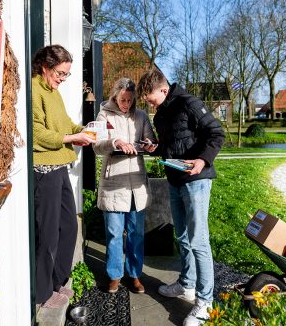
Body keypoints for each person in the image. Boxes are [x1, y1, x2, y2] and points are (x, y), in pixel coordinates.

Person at [137, 69, 225, 326]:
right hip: (174, 180)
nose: (150, 105)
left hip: (196, 180)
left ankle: (205, 301)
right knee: (183, 237)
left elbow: (216, 133)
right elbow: (172, 145)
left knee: (199, 240)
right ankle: (186, 285)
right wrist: (155, 149)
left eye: (151, 99)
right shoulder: (163, 113)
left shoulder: (190, 103)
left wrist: (202, 159)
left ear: (164, 90)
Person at [31, 45, 96, 309]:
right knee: (47, 234)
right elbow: (36, 132)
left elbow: (65, 123)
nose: (62, 78)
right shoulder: (35, 90)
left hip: (60, 167)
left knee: (69, 227)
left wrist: (85, 131)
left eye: (67, 74)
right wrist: (71, 138)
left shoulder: (54, 93)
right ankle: (43, 293)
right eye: (60, 73)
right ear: (45, 67)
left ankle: (58, 281)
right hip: (44, 171)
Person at [92, 78, 157, 294]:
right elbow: (96, 145)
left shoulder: (141, 116)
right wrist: (115, 142)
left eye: (130, 100)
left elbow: (151, 140)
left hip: (136, 184)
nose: (126, 104)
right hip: (114, 183)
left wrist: (149, 144)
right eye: (122, 99)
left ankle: (134, 275)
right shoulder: (104, 115)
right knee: (114, 233)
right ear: (115, 96)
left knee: (136, 234)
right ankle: (114, 276)